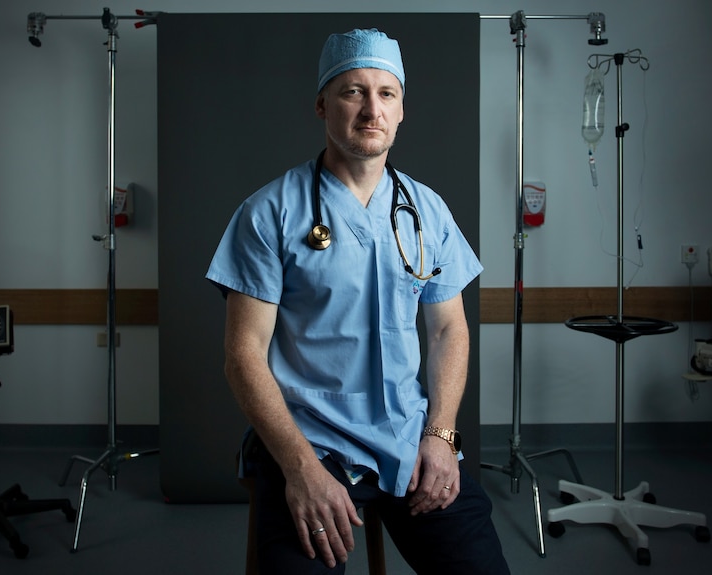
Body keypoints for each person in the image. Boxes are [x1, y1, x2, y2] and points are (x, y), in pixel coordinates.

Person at [206, 28, 510, 574]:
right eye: (352, 91)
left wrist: (441, 436)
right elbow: (243, 355)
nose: (371, 109)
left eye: (386, 93)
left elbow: (447, 331)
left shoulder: (428, 212)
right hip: (309, 444)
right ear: (322, 104)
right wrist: (299, 469)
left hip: (410, 441)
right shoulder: (269, 212)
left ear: (401, 110)